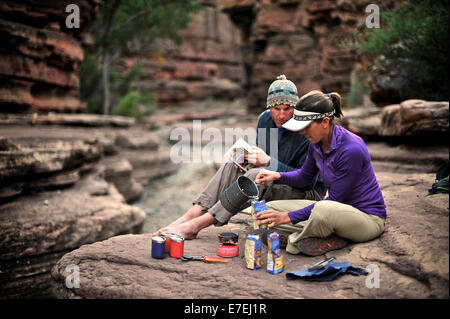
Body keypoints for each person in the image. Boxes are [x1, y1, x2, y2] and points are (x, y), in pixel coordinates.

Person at [153, 75, 326, 239]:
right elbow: (265, 157)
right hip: (276, 179)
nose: (281, 115)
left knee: (254, 177)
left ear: (295, 107)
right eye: (276, 109)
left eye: (287, 109)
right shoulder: (265, 120)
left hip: (307, 192)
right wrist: (249, 158)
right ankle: (191, 215)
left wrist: (267, 161)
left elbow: (306, 180)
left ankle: (196, 226)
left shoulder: (306, 130)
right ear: (269, 107)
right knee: (232, 165)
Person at [254, 90, 387, 256]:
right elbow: (304, 177)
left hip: (366, 218)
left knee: (322, 210)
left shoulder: (351, 149)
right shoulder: (315, 143)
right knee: (267, 211)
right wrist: (278, 176)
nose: (301, 132)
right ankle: (321, 236)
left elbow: (334, 201)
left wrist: (287, 218)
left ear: (325, 122)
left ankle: (296, 239)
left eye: (306, 126)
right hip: (333, 212)